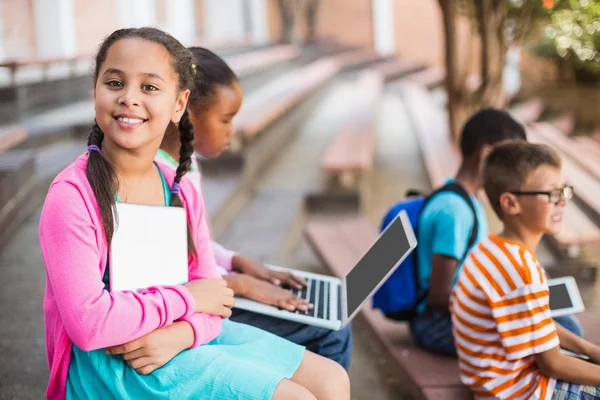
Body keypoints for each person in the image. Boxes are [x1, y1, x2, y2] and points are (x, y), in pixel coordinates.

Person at [39, 27, 349, 400]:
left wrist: (184, 332)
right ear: (95, 92)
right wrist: (187, 300)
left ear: (179, 104)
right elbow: (90, 324)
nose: (129, 98)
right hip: (116, 363)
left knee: (332, 380)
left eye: (149, 87)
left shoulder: (179, 186)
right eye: (115, 82)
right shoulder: (73, 195)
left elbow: (212, 293)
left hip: (179, 334)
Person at [156, 46, 353, 370]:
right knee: (332, 332)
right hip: (195, 305)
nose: (232, 130)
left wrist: (236, 261)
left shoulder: (183, 167)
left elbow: (192, 245)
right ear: (186, 112)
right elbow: (172, 274)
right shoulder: (159, 180)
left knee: (325, 316)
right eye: (225, 119)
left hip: (214, 286)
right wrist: (242, 284)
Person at [409, 108, 582, 357]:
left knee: (559, 320)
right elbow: (438, 295)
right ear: (488, 154)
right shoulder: (455, 210)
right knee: (565, 328)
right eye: (514, 158)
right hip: (436, 324)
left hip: (461, 312)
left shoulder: (465, 199)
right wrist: (504, 309)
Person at [451, 140, 600, 399]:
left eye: (564, 190)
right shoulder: (522, 269)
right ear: (511, 204)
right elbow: (552, 364)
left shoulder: (491, 248)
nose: (563, 201)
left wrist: (590, 350)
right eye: (553, 194)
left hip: (491, 381)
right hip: (518, 391)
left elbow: (536, 325)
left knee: (574, 337)